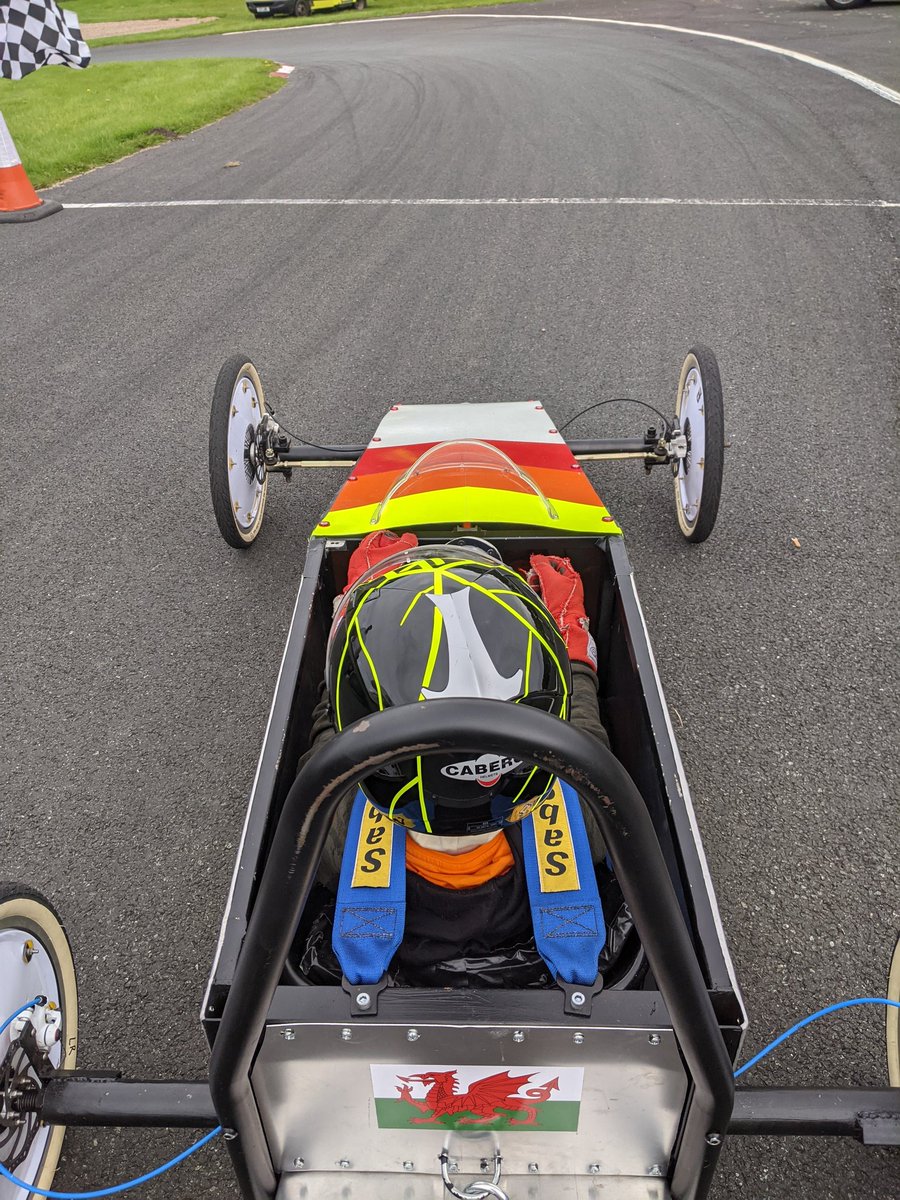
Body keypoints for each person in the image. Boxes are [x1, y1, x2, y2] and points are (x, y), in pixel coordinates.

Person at [291, 531, 635, 989]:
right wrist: (574, 649)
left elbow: (331, 727)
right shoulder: (591, 823)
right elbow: (583, 731)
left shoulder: (329, 835)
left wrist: (349, 622)